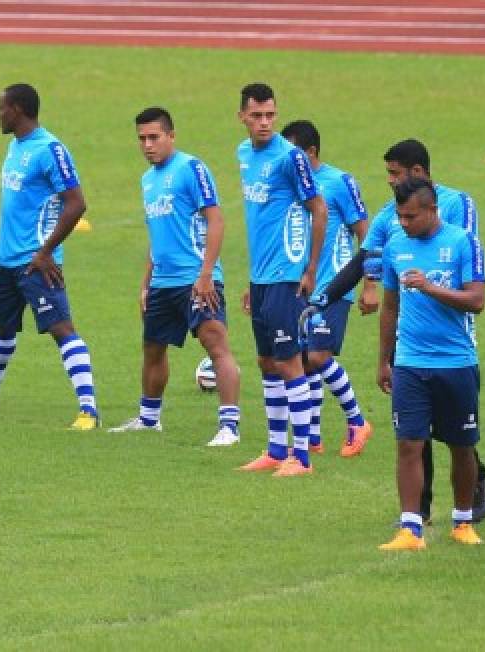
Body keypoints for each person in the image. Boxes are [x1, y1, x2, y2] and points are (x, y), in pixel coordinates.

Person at [319, 138, 485, 522]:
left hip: (455, 337)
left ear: (418, 172)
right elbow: (367, 258)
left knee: (457, 437)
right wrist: (326, 296)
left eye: (395, 174)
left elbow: (463, 263)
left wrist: (431, 282)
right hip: (411, 337)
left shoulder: (457, 207)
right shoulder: (391, 216)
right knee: (413, 434)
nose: (390, 182)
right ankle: (420, 512)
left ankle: (474, 486)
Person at [0, 83, 99, 429]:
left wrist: (45, 252)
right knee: (1, 328)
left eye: (1, 107)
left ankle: (88, 409)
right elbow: (18, 209)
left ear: (18, 109)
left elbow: (76, 203)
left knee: (61, 328)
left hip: (35, 263)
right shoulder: (15, 147)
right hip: (6, 261)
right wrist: (0, 253)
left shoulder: (50, 149)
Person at [107, 107, 241, 446]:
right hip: (163, 282)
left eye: (154, 137)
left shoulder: (191, 168)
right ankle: (149, 419)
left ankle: (230, 427)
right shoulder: (147, 180)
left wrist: (207, 274)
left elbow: (216, 220)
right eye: (142, 139)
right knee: (152, 348)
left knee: (215, 344)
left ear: (171, 136)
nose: (148, 145)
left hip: (196, 279)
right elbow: (158, 237)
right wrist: (145, 284)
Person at [377, 178, 485, 551]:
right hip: (410, 362)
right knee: (408, 443)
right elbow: (390, 306)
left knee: (461, 445)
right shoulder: (395, 247)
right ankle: (410, 529)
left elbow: (476, 300)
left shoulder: (462, 242)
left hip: (456, 361)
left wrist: (429, 288)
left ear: (431, 210)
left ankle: (463, 521)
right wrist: (384, 360)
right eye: (400, 216)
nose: (404, 223)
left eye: (411, 216)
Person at [232, 83, 329, 477]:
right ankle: (275, 450)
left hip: (287, 276)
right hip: (261, 277)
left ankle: (301, 457)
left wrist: (309, 269)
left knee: (290, 363)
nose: (265, 122)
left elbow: (318, 210)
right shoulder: (243, 154)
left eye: (270, 114)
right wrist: (251, 281)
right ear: (242, 117)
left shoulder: (291, 159)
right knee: (266, 361)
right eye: (257, 115)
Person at [280, 120, 373, 459]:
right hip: (299, 283)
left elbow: (366, 233)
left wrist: (370, 285)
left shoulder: (339, 182)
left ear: (311, 152)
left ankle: (358, 420)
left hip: (335, 283)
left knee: (318, 355)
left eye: (293, 153)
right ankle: (313, 436)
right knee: (303, 360)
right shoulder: (289, 184)